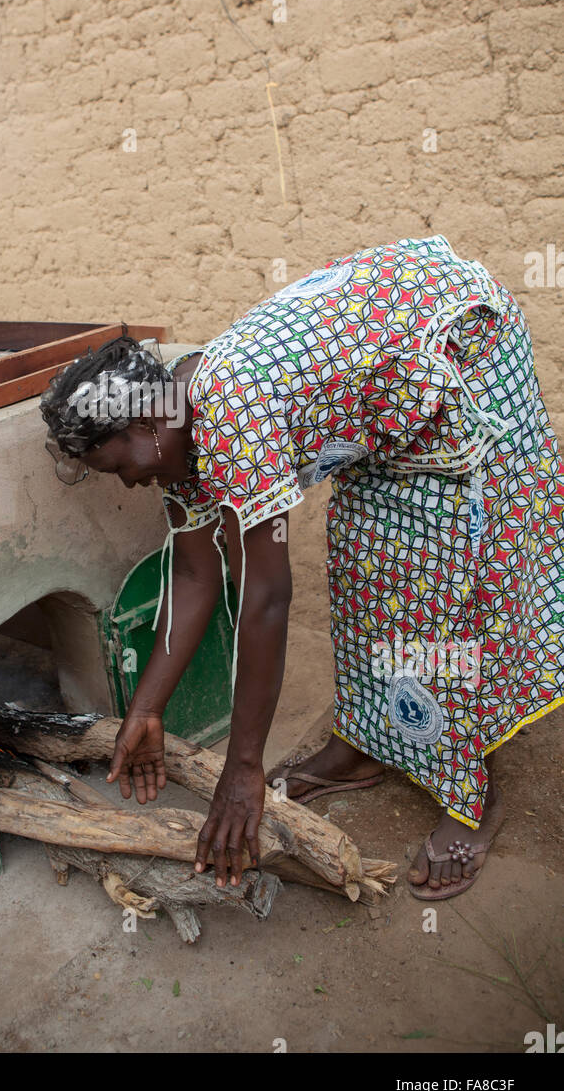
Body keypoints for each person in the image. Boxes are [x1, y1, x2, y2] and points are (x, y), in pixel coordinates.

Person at [39, 235, 564, 900]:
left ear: (144, 425)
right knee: (367, 566)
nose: (127, 484)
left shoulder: (228, 413)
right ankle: (363, 745)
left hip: (461, 350)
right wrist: (147, 709)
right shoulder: (174, 444)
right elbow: (197, 575)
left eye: (118, 468)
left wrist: (243, 768)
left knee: (445, 586)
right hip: (390, 396)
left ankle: (473, 795)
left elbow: (266, 598)